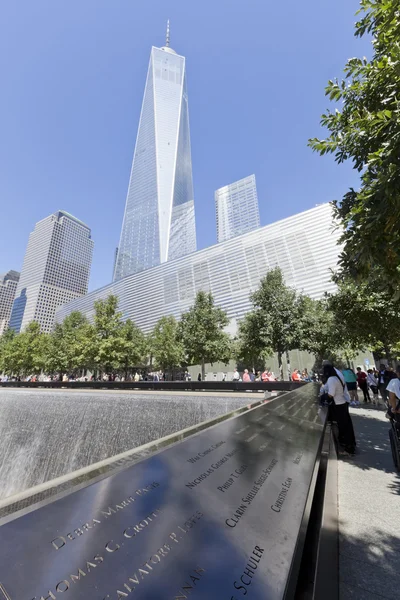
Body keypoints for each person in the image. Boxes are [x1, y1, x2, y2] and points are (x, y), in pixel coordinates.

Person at [323, 364, 356, 456]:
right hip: (343, 403)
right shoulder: (337, 376)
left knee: (343, 427)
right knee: (346, 425)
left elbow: (331, 394)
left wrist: (324, 397)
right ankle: (350, 445)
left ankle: (348, 448)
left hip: (338, 405)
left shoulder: (331, 379)